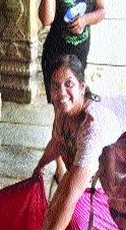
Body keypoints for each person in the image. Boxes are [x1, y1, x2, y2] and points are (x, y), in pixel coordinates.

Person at [27, 54, 126, 230]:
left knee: (73, 215)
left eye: (69, 84)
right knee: (59, 208)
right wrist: (39, 167)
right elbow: (58, 142)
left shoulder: (92, 128)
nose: (61, 92)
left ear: (82, 86)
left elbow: (71, 194)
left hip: (118, 190)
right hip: (97, 181)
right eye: (55, 85)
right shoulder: (64, 108)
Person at [39, 0, 105, 182]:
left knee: (77, 107)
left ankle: (77, 158)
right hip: (56, 59)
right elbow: (46, 19)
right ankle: (60, 165)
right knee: (60, 111)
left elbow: (101, 11)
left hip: (78, 59)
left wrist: (85, 20)